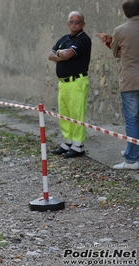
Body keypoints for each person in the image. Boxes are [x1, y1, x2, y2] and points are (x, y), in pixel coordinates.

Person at [96, 0, 139, 169]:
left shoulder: (120, 30)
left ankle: (131, 159)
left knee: (132, 120)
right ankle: (132, 149)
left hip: (130, 80)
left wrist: (110, 41)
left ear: (126, 13)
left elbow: (117, 53)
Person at [48, 11, 92, 159]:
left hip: (77, 82)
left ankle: (78, 146)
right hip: (63, 84)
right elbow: (50, 55)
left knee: (76, 115)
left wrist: (59, 54)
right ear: (68, 24)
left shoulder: (84, 39)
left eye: (77, 21)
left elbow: (66, 54)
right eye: (71, 22)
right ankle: (67, 143)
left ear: (83, 24)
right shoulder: (65, 38)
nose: (74, 24)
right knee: (65, 115)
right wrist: (62, 54)